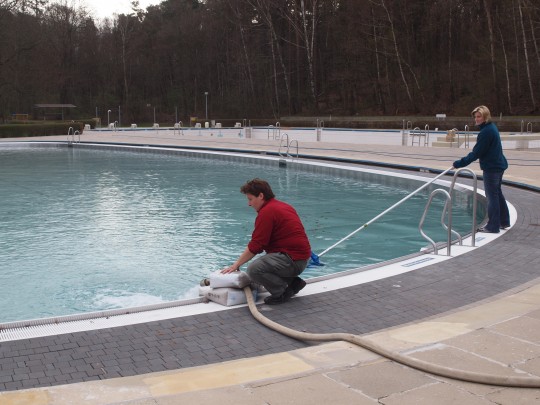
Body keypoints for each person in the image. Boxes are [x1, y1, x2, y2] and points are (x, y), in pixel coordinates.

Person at [221, 178, 311, 305]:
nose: (249, 204)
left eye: (250, 199)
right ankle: (294, 283)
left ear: (261, 196)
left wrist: (236, 265)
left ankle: (282, 292)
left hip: (293, 261)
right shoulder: (283, 206)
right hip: (301, 259)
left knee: (254, 270)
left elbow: (256, 245)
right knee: (266, 261)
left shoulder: (267, 212)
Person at [452, 105, 510, 233]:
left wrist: (459, 163)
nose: (476, 119)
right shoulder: (491, 127)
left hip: (492, 168)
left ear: (485, 117)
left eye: (479, 117)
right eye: (475, 117)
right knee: (497, 193)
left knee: (492, 196)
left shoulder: (486, 132)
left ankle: (493, 226)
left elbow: (476, 153)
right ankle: (504, 221)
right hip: (498, 166)